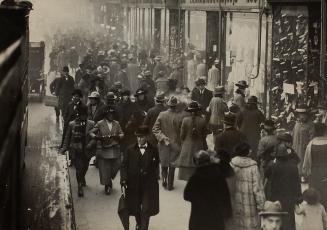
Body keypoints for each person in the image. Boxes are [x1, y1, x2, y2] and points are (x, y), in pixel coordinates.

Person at [120, 125, 159, 230]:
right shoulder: (129, 150)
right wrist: (123, 180)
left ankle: (143, 227)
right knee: (136, 208)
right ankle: (139, 223)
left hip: (148, 185)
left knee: (146, 208)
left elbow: (155, 165)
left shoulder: (154, 149)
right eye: (137, 137)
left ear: (147, 137)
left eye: (141, 137)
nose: (139, 139)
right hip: (133, 184)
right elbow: (124, 166)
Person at [184, 150, 232, 230]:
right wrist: (227, 213)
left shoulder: (195, 178)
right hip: (216, 217)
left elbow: (186, 196)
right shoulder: (219, 175)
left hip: (199, 217)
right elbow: (225, 195)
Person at [230, 141, 266, 230]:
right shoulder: (253, 167)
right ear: (247, 152)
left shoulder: (231, 164)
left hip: (235, 203)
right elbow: (257, 189)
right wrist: (262, 206)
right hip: (250, 206)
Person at [265, 144, 302, 230]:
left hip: (276, 197)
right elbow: (297, 184)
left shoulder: (273, 166)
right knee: (289, 220)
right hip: (290, 198)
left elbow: (266, 175)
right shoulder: (293, 167)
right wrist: (298, 199)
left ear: (277, 156)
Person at [89, 107, 124, 195]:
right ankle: (107, 185)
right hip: (104, 148)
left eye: (112, 114)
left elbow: (122, 133)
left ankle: (109, 178)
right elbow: (91, 132)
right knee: (105, 167)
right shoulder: (100, 123)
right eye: (109, 114)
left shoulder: (116, 123)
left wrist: (118, 136)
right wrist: (97, 137)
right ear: (106, 115)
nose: (111, 116)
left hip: (114, 147)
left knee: (117, 165)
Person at [61, 108, 95, 197]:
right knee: (79, 168)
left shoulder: (91, 124)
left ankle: (82, 177)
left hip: (87, 150)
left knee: (85, 166)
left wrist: (91, 144)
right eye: (81, 115)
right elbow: (67, 137)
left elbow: (95, 137)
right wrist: (64, 147)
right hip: (76, 150)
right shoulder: (72, 124)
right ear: (78, 115)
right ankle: (80, 186)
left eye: (84, 115)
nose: (83, 117)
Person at [152, 96, 182, 190]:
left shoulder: (162, 114)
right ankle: (170, 184)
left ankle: (164, 179)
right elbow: (182, 131)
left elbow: (155, 129)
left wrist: (163, 138)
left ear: (168, 105)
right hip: (176, 144)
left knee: (164, 163)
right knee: (172, 165)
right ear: (176, 106)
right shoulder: (179, 116)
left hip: (163, 143)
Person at [175, 101, 208, 181]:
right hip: (199, 146)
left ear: (189, 111)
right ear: (198, 111)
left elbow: (182, 136)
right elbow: (204, 136)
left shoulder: (185, 120)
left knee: (187, 164)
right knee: (198, 164)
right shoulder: (202, 120)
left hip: (187, 146)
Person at [303, 123, 327, 208]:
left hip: (314, 172)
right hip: (325, 171)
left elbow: (306, 161)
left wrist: (305, 173)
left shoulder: (311, 144)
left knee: (315, 193)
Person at [292, 104, 315, 180]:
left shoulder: (310, 124)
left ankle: (304, 175)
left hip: (304, 148)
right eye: (300, 114)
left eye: (303, 114)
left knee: (303, 161)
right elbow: (293, 134)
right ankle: (297, 174)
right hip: (296, 147)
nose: (302, 116)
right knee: (296, 161)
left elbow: (312, 137)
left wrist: (308, 145)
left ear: (307, 115)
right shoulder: (297, 123)